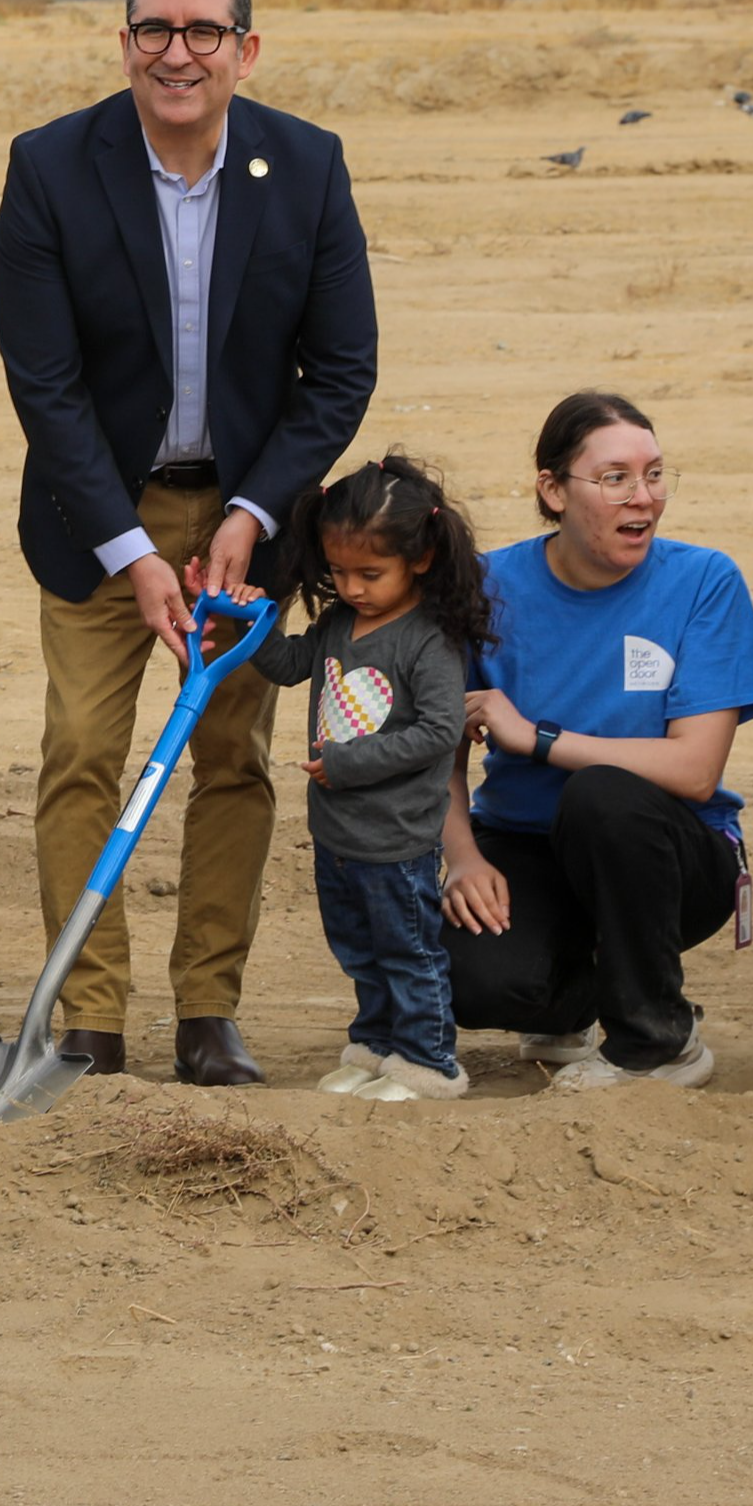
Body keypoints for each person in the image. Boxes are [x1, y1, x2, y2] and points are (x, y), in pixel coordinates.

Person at [0, 0, 376, 1084]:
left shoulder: (306, 167)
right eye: (153, 29)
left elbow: (341, 370)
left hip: (241, 526)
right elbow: (43, 384)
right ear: (123, 44)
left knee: (232, 760)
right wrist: (127, 546)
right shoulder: (50, 167)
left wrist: (252, 513)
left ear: (244, 50)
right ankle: (89, 1016)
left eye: (203, 31)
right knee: (81, 756)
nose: (177, 52)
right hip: (92, 515)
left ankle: (209, 1010)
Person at [444, 393, 753, 1091]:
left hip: (667, 849)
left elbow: (693, 769)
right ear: (552, 490)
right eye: (615, 477)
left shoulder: (703, 580)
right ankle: (576, 1001)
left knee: (602, 796)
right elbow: (439, 741)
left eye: (655, 474)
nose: (644, 498)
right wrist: (464, 855)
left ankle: (657, 1039)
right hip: (526, 843)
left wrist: (537, 738)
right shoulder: (483, 583)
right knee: (476, 983)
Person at [254, 456, 482, 1103]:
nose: (352, 587)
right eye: (339, 572)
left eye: (369, 573)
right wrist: (255, 622)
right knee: (360, 949)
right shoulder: (337, 624)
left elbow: (441, 730)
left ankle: (428, 1059)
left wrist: (350, 762)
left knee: (408, 951)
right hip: (339, 833)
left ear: (421, 557)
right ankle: (377, 1045)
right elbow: (292, 663)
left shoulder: (428, 641)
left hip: (398, 837)